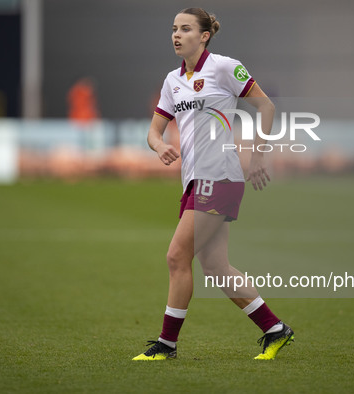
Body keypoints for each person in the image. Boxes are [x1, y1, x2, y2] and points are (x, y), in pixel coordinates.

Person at [132, 7, 293, 361]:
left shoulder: (223, 67)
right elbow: (153, 132)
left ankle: (166, 345)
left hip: (219, 176)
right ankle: (275, 329)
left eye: (185, 29)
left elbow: (265, 107)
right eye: (174, 29)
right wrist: (160, 147)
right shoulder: (172, 81)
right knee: (216, 268)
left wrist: (259, 155)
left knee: (177, 257)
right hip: (194, 180)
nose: (176, 35)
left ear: (204, 35)